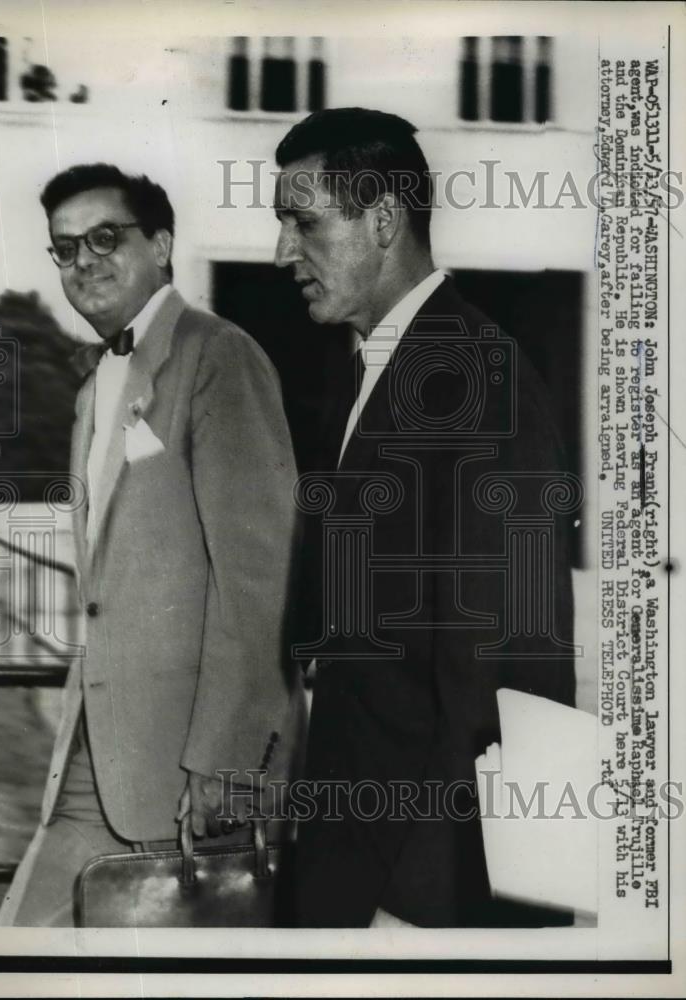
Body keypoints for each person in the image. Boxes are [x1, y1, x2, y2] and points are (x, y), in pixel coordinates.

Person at [273, 108, 577, 928]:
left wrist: (417, 906)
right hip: (354, 856)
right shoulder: (371, 370)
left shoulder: (483, 377)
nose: (282, 253)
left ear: (382, 219)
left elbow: (505, 671)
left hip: (415, 888)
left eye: (303, 223)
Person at [0, 163, 303, 926]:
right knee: (15, 952)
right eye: (65, 249)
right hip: (97, 756)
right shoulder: (92, 389)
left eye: (105, 237)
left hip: (186, 774)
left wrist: (227, 764)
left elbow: (261, 575)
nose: (84, 261)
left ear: (162, 244)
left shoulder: (218, 357)